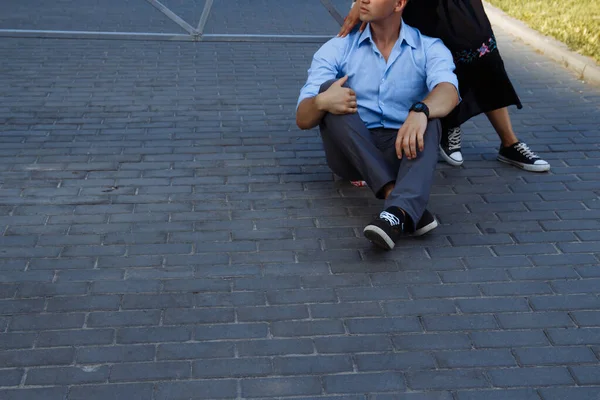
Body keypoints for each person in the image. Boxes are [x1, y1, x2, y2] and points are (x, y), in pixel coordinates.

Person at [296, 0, 460, 250]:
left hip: (403, 152)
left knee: (432, 114)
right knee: (331, 93)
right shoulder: (340, 46)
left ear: (399, 3)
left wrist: (421, 110)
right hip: (351, 157)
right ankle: (402, 202)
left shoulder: (428, 48)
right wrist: (320, 101)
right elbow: (302, 119)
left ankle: (395, 215)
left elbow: (449, 92)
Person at [339, 0, 550, 173]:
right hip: (416, 6)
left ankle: (508, 143)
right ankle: (444, 124)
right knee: (427, 57)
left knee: (483, 55)